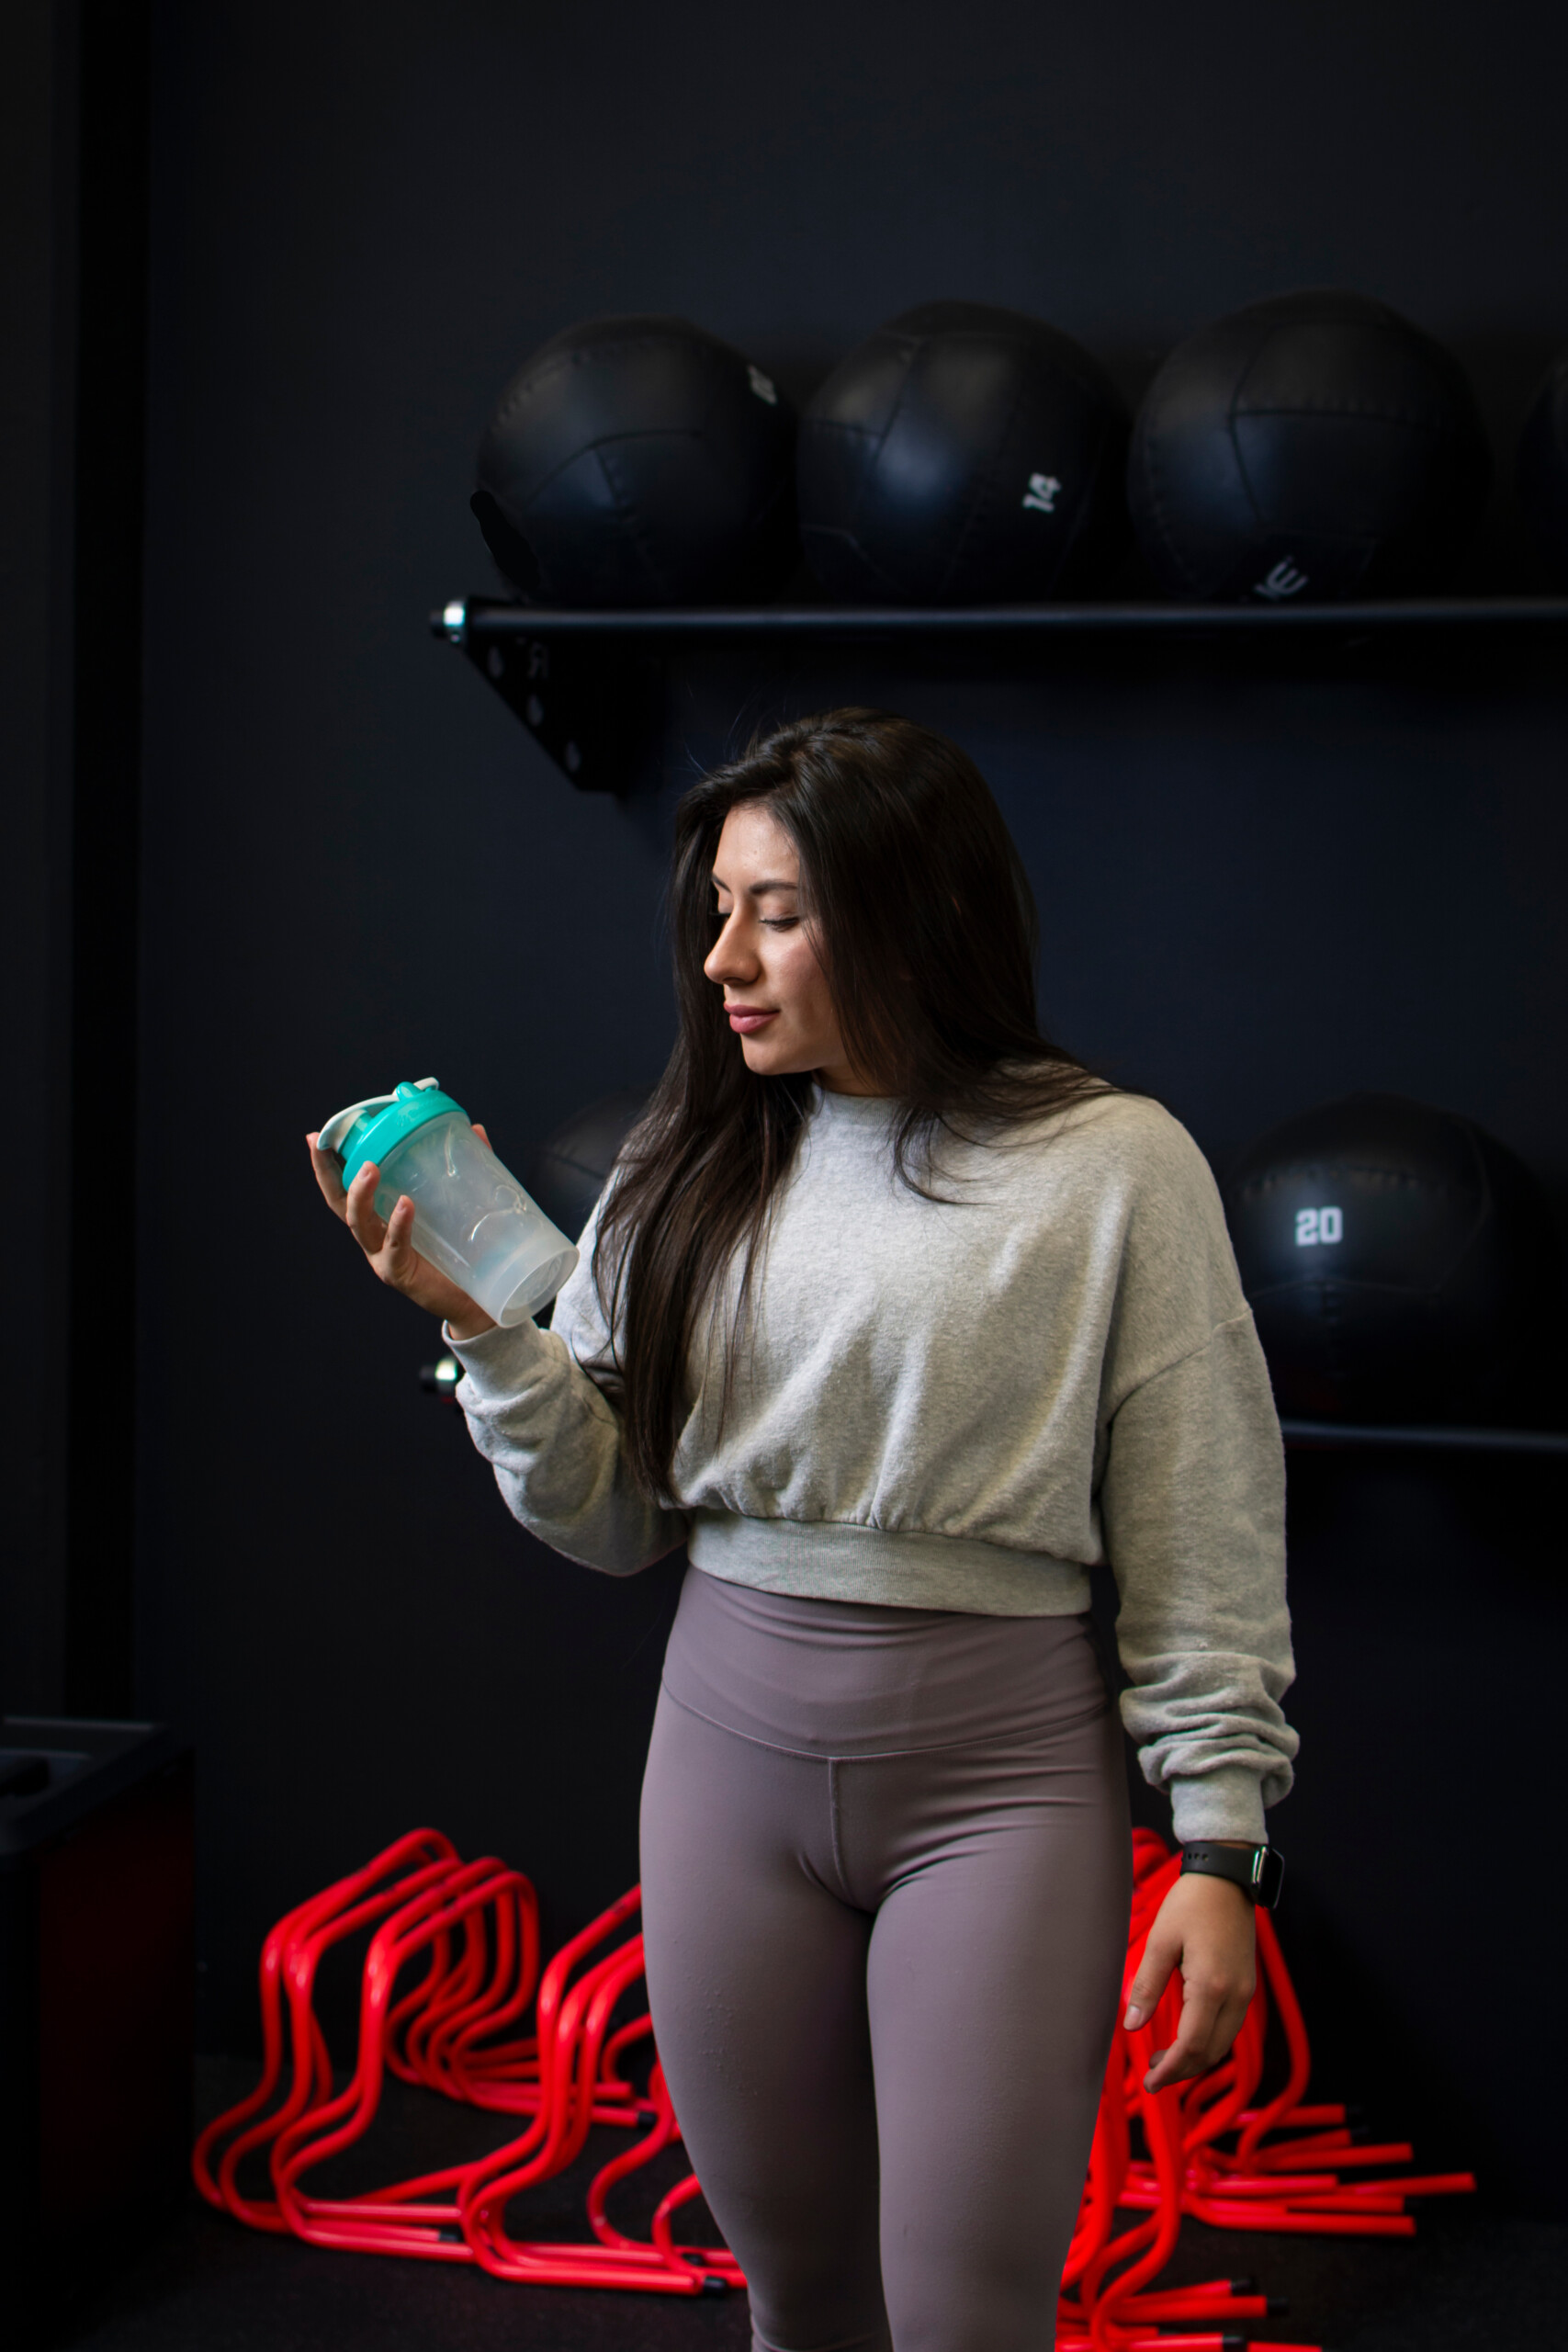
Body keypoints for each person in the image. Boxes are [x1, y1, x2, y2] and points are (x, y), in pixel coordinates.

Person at [309, 709, 1296, 2352]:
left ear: (910, 912)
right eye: (715, 911)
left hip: (998, 1786)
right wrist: (487, 1333)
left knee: (968, 2316)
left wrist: (1222, 1847)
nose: (721, 959)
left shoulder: (1116, 1169)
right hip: (727, 1768)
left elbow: (1204, 1516)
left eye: (774, 912)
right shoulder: (682, 1167)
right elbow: (617, 1523)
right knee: (803, 2306)